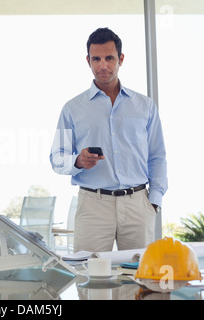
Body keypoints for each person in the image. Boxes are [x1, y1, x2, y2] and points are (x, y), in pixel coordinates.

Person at [49, 27, 168, 253]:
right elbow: (57, 158)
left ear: (121, 59)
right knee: (90, 277)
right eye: (96, 59)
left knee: (141, 278)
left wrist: (154, 201)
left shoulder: (145, 106)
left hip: (138, 205)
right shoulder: (71, 109)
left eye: (109, 58)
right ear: (88, 61)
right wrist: (77, 161)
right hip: (93, 206)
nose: (102, 65)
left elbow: (157, 156)